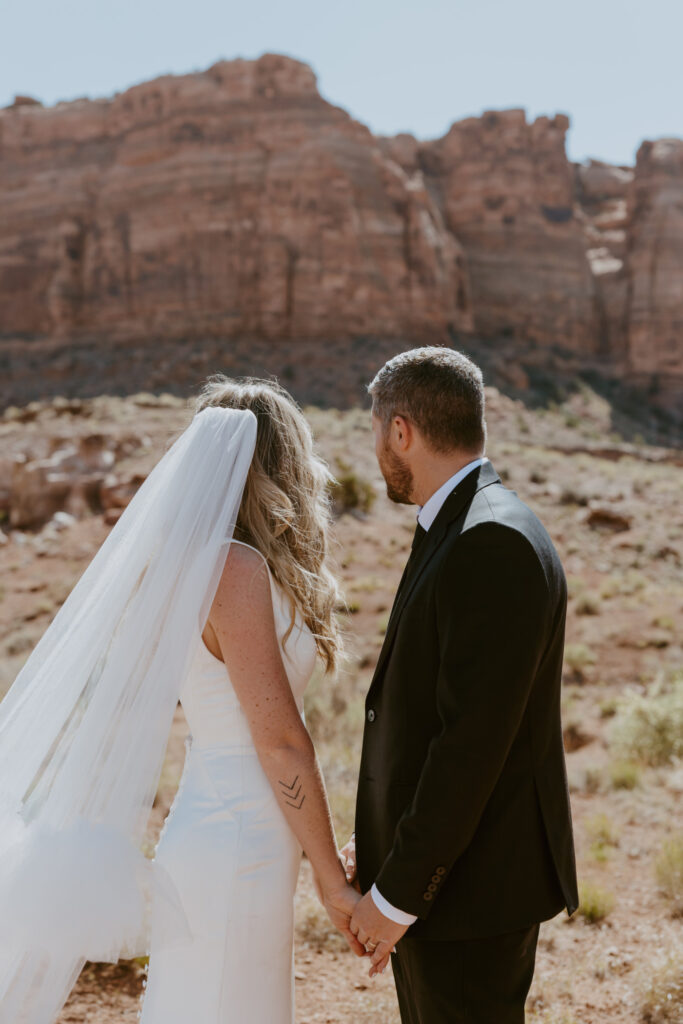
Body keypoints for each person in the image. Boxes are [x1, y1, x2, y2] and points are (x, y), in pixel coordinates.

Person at [0, 376, 362, 1024]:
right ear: (279, 464)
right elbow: (280, 742)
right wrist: (330, 878)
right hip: (236, 840)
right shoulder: (230, 568)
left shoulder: (227, 563)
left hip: (243, 832)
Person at [342, 347, 579, 1024]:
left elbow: (468, 746)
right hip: (451, 885)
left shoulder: (488, 540)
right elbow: (431, 716)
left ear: (400, 431)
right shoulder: (464, 523)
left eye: (376, 432)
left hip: (472, 893)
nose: (376, 451)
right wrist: (386, 852)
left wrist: (396, 898)